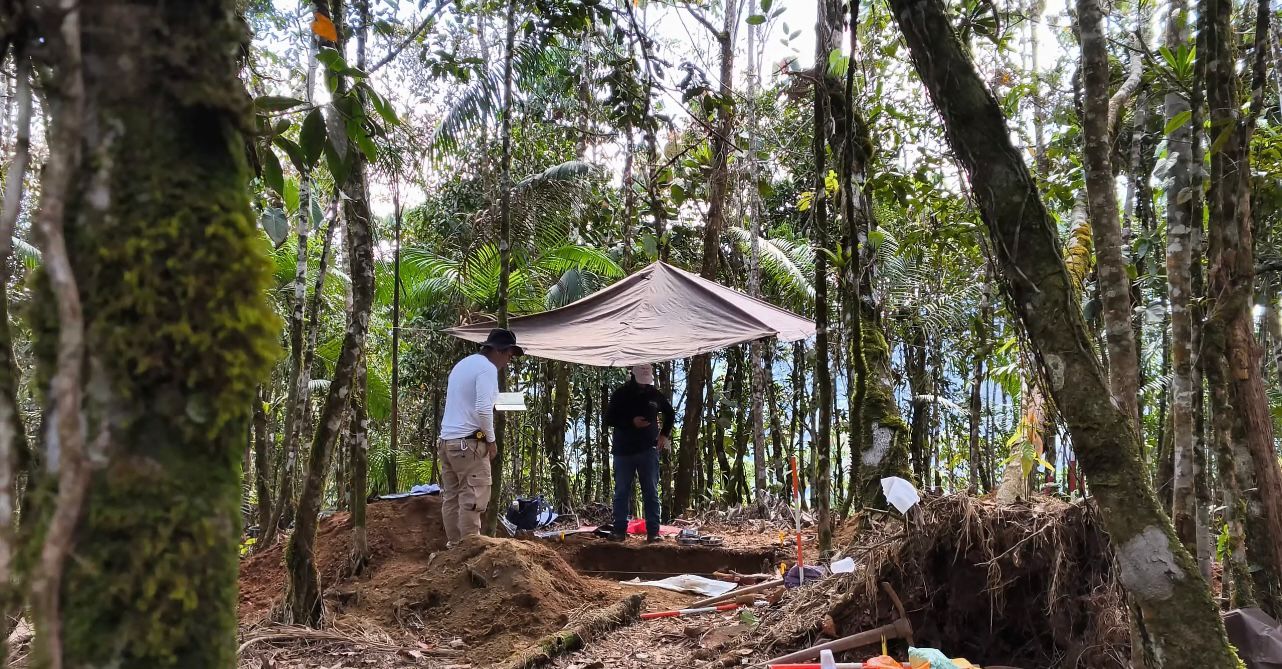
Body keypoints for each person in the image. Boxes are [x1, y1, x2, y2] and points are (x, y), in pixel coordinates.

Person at [438, 328, 523, 547]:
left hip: (448, 442)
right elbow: (483, 409)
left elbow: (472, 403)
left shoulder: (463, 365)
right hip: (469, 445)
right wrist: (491, 441)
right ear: (498, 350)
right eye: (508, 355)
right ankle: (469, 550)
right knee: (472, 499)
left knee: (452, 498)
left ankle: (455, 547)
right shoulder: (487, 368)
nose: (508, 360)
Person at [605, 363, 675, 542]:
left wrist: (664, 435)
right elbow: (609, 418)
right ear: (633, 376)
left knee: (650, 491)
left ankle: (653, 533)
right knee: (621, 491)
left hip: (648, 450)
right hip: (623, 451)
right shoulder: (621, 394)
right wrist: (630, 422)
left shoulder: (654, 394)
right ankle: (619, 531)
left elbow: (670, 413)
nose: (644, 384)